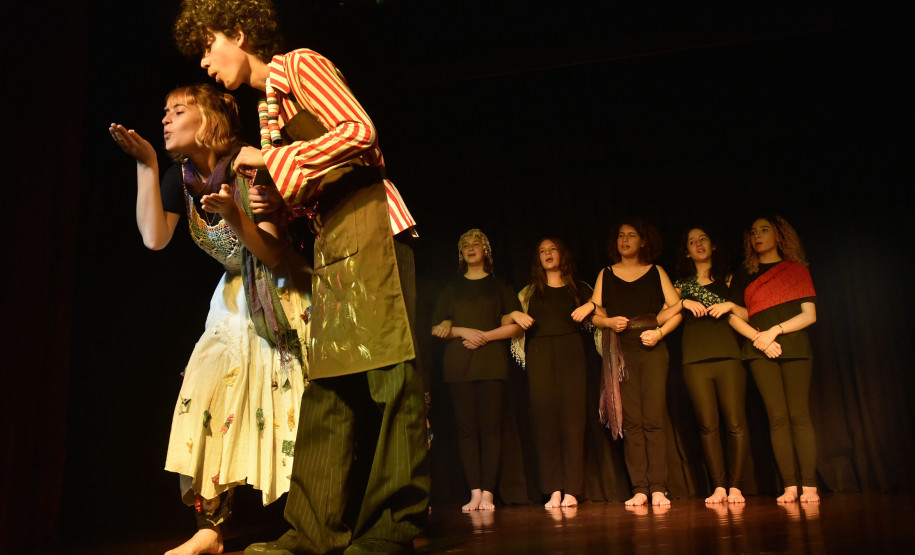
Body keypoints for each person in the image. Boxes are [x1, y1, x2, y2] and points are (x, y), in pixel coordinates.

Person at [174, 2, 429, 553]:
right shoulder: (269, 110)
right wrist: (275, 204)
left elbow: (360, 132)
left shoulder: (298, 65)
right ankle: (311, 532)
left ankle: (392, 527)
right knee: (328, 390)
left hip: (374, 228)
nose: (206, 62)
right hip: (332, 244)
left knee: (390, 383)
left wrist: (271, 164)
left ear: (239, 33)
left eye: (209, 45)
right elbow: (305, 180)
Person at [109, 83, 310, 555]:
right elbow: (154, 238)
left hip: (283, 289)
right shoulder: (180, 177)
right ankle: (210, 527)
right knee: (202, 393)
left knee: (292, 401)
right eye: (165, 111)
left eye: (179, 110)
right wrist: (146, 164)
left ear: (210, 120)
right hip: (234, 295)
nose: (166, 118)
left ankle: (314, 516)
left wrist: (235, 215)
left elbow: (272, 253)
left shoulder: (248, 164)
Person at [571, 218, 681, 507]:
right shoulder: (606, 274)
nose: (625, 240)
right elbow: (596, 314)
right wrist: (609, 322)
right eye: (621, 235)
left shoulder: (656, 271)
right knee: (631, 421)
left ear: (643, 241)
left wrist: (659, 333)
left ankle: (658, 487)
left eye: (631, 235)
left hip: (651, 347)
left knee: (653, 419)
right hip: (622, 351)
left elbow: (675, 308)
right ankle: (640, 488)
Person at [729, 215, 819, 504]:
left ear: (779, 236)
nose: (757, 235)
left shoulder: (796, 270)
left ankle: (810, 485)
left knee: (799, 415)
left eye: (764, 230)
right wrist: (760, 339)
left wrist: (774, 331)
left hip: (794, 346)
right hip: (759, 350)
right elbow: (735, 315)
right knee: (777, 418)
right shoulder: (744, 274)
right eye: (753, 232)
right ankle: (790, 485)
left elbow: (809, 315)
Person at [431, 229, 523, 512]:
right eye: (466, 246)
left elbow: (516, 326)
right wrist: (461, 330)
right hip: (459, 365)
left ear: (486, 251)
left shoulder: (499, 286)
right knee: (466, 429)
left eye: (476, 244)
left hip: (491, 362)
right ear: (461, 253)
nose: (471, 248)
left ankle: (489, 493)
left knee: (491, 428)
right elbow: (436, 328)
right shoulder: (451, 288)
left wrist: (484, 336)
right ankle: (474, 492)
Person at [508, 238, 591, 509]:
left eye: (552, 249)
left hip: (571, 353)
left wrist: (590, 306)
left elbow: (600, 311)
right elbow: (507, 318)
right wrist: (514, 315)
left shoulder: (578, 288)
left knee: (572, 420)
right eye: (542, 251)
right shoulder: (529, 292)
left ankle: (573, 489)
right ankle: (553, 489)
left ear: (562, 254)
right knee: (545, 422)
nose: (547, 254)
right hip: (540, 353)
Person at [671, 227, 750, 504]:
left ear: (713, 245)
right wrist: (683, 302)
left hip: (728, 357)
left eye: (702, 239)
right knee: (708, 426)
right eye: (692, 242)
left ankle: (736, 486)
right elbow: (662, 316)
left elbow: (748, 314)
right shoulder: (682, 284)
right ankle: (718, 486)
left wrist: (730, 306)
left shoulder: (728, 279)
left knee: (735, 423)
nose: (698, 244)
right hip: (695, 361)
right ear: (687, 252)